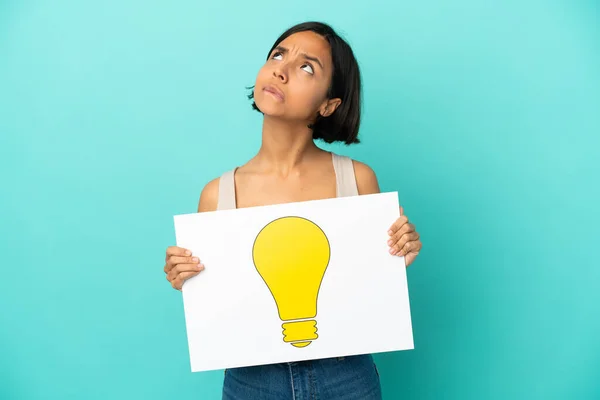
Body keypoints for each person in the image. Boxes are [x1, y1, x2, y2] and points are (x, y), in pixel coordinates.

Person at [163, 21, 422, 400]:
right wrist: (184, 275)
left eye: (307, 67)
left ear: (329, 105)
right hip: (250, 380)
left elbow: (369, 280)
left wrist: (399, 250)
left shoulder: (358, 180)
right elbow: (218, 299)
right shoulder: (218, 194)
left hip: (346, 376)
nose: (280, 69)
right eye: (278, 55)